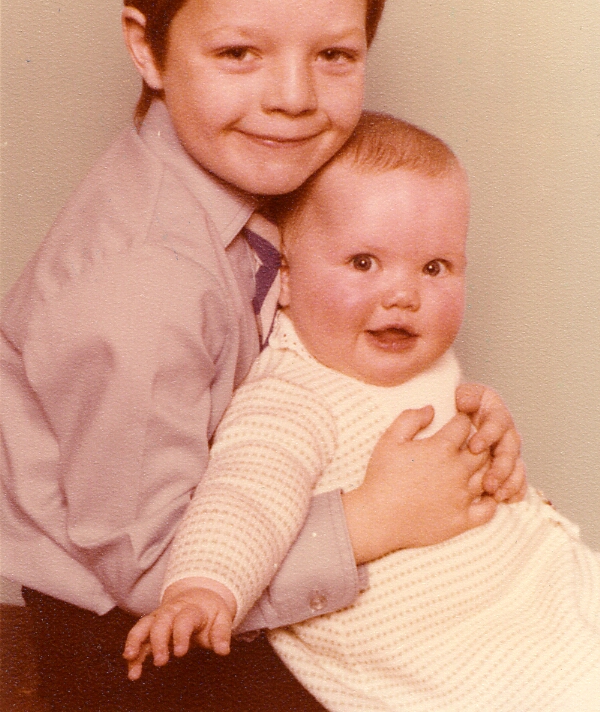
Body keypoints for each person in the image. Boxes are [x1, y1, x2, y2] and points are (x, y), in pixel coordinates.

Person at [1, 0, 524, 712]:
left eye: (334, 55)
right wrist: (374, 519)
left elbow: (319, 366)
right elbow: (151, 570)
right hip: (136, 630)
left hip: (253, 520)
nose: (293, 97)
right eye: (240, 53)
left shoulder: (269, 177)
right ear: (147, 47)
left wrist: (454, 426)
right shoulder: (140, 289)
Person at [124, 113, 600, 712]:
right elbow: (245, 498)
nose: (404, 295)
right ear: (285, 277)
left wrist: (487, 430)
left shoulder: (419, 359)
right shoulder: (292, 396)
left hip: (535, 587)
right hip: (438, 650)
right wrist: (203, 590)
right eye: (363, 262)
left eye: (434, 268)